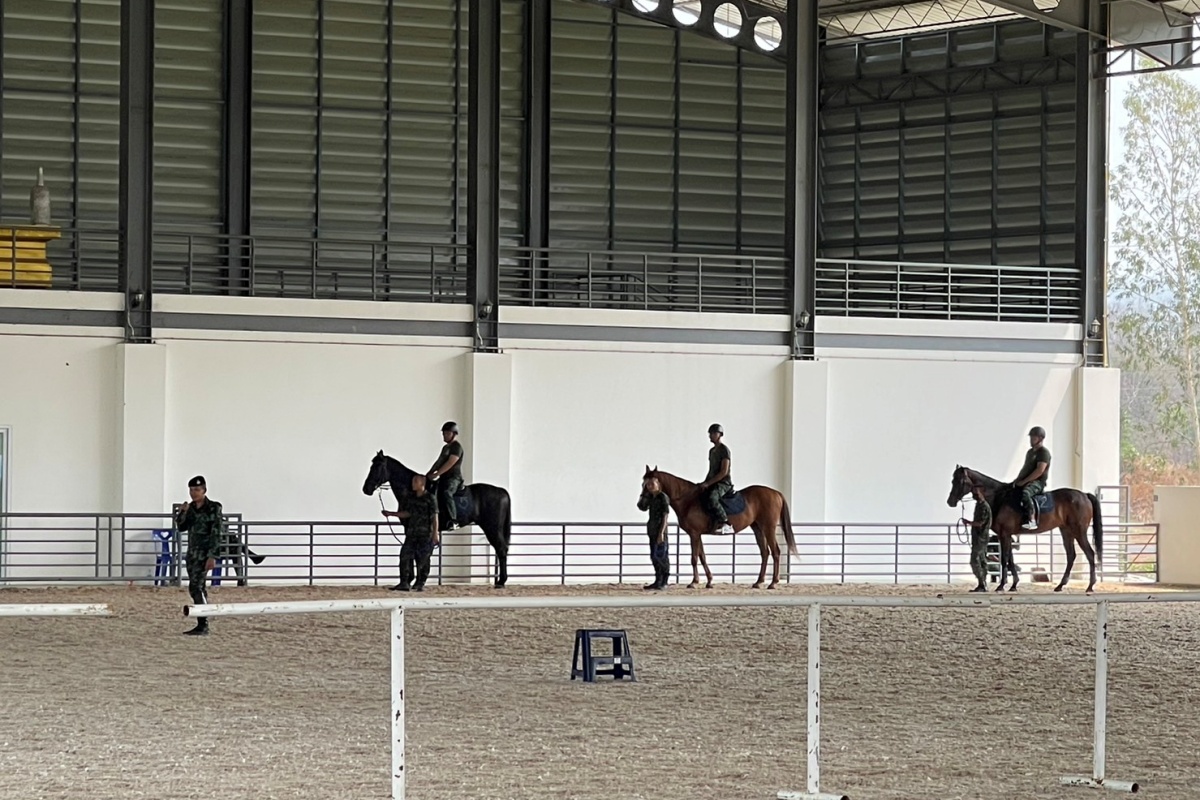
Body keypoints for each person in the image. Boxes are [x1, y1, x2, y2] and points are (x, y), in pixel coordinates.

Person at [175, 475, 224, 636]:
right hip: (192, 553)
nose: (193, 493)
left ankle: (203, 623)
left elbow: (216, 532)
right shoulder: (191, 508)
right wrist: (182, 513)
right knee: (199, 586)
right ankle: (203, 620)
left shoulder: (214, 508)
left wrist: (212, 555)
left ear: (204, 490)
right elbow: (182, 527)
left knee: (195, 586)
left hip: (205, 553)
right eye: (191, 490)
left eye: (197, 490)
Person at [383, 474, 440, 592]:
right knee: (405, 556)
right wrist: (392, 514)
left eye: (415, 481)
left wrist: (435, 533)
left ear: (422, 483)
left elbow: (435, 516)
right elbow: (408, 513)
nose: (413, 484)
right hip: (411, 533)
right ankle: (404, 582)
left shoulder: (430, 498)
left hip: (425, 534)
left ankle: (420, 583)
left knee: (423, 559)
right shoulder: (412, 498)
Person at [1010, 425, 1051, 530]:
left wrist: (1024, 482)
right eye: (1031, 437)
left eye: (1034, 437)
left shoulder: (1044, 453)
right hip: (1026, 480)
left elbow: (1039, 471)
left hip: (1038, 482)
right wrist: (1017, 480)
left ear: (1040, 439)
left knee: (1026, 493)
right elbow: (1025, 468)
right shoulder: (1030, 452)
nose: (1031, 440)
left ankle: (1032, 520)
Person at [427, 421, 465, 531]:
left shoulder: (457, 447)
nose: (445, 436)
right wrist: (429, 473)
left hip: (454, 478)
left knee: (447, 492)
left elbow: (450, 462)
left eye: (447, 433)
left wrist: (437, 474)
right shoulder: (445, 448)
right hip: (443, 478)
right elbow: (439, 462)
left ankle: (453, 520)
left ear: (454, 434)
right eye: (444, 433)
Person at [637, 476, 671, 591]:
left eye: (652, 484)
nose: (650, 486)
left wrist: (661, 532)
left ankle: (664, 581)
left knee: (662, 556)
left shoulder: (663, 497)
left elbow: (665, 515)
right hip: (652, 530)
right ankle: (658, 580)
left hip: (660, 531)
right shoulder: (651, 497)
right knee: (654, 556)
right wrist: (644, 493)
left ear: (658, 484)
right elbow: (642, 507)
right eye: (648, 485)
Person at [699, 423, 734, 534]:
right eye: (710, 433)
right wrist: (704, 483)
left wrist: (708, 484)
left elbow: (723, 472)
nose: (710, 435)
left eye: (713, 433)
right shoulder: (711, 451)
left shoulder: (724, 450)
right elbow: (711, 471)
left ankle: (726, 522)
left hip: (724, 483)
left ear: (720, 435)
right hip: (713, 481)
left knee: (712, 497)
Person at [961, 485, 992, 593]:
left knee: (975, 560)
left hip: (981, 538)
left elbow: (980, 523)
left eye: (976, 493)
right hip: (979, 537)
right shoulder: (979, 505)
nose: (974, 495)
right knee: (982, 560)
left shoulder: (983, 507)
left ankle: (982, 583)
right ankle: (982, 584)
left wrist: (968, 522)